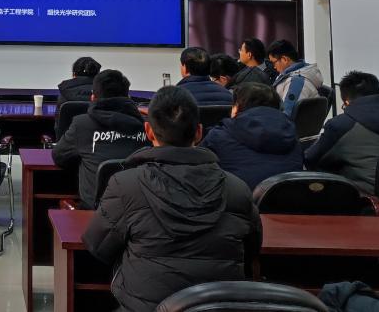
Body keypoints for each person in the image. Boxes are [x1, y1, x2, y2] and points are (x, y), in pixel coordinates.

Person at [82, 86, 262, 312]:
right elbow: (251, 250)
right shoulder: (238, 189)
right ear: (199, 132)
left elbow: (98, 247)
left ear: (148, 131)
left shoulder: (125, 185)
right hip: (218, 307)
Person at [51, 69, 149, 209]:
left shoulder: (82, 124)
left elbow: (59, 157)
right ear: (128, 97)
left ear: (93, 97)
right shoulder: (146, 127)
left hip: (94, 213)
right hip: (138, 211)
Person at [200, 83, 304, 190]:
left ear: (236, 108)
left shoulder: (218, 136)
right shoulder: (292, 136)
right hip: (292, 198)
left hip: (239, 199)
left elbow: (197, 172)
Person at [268, 40, 323, 117]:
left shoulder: (296, 82)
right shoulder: (291, 75)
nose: (274, 66)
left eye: (273, 62)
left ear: (284, 59)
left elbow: (286, 116)